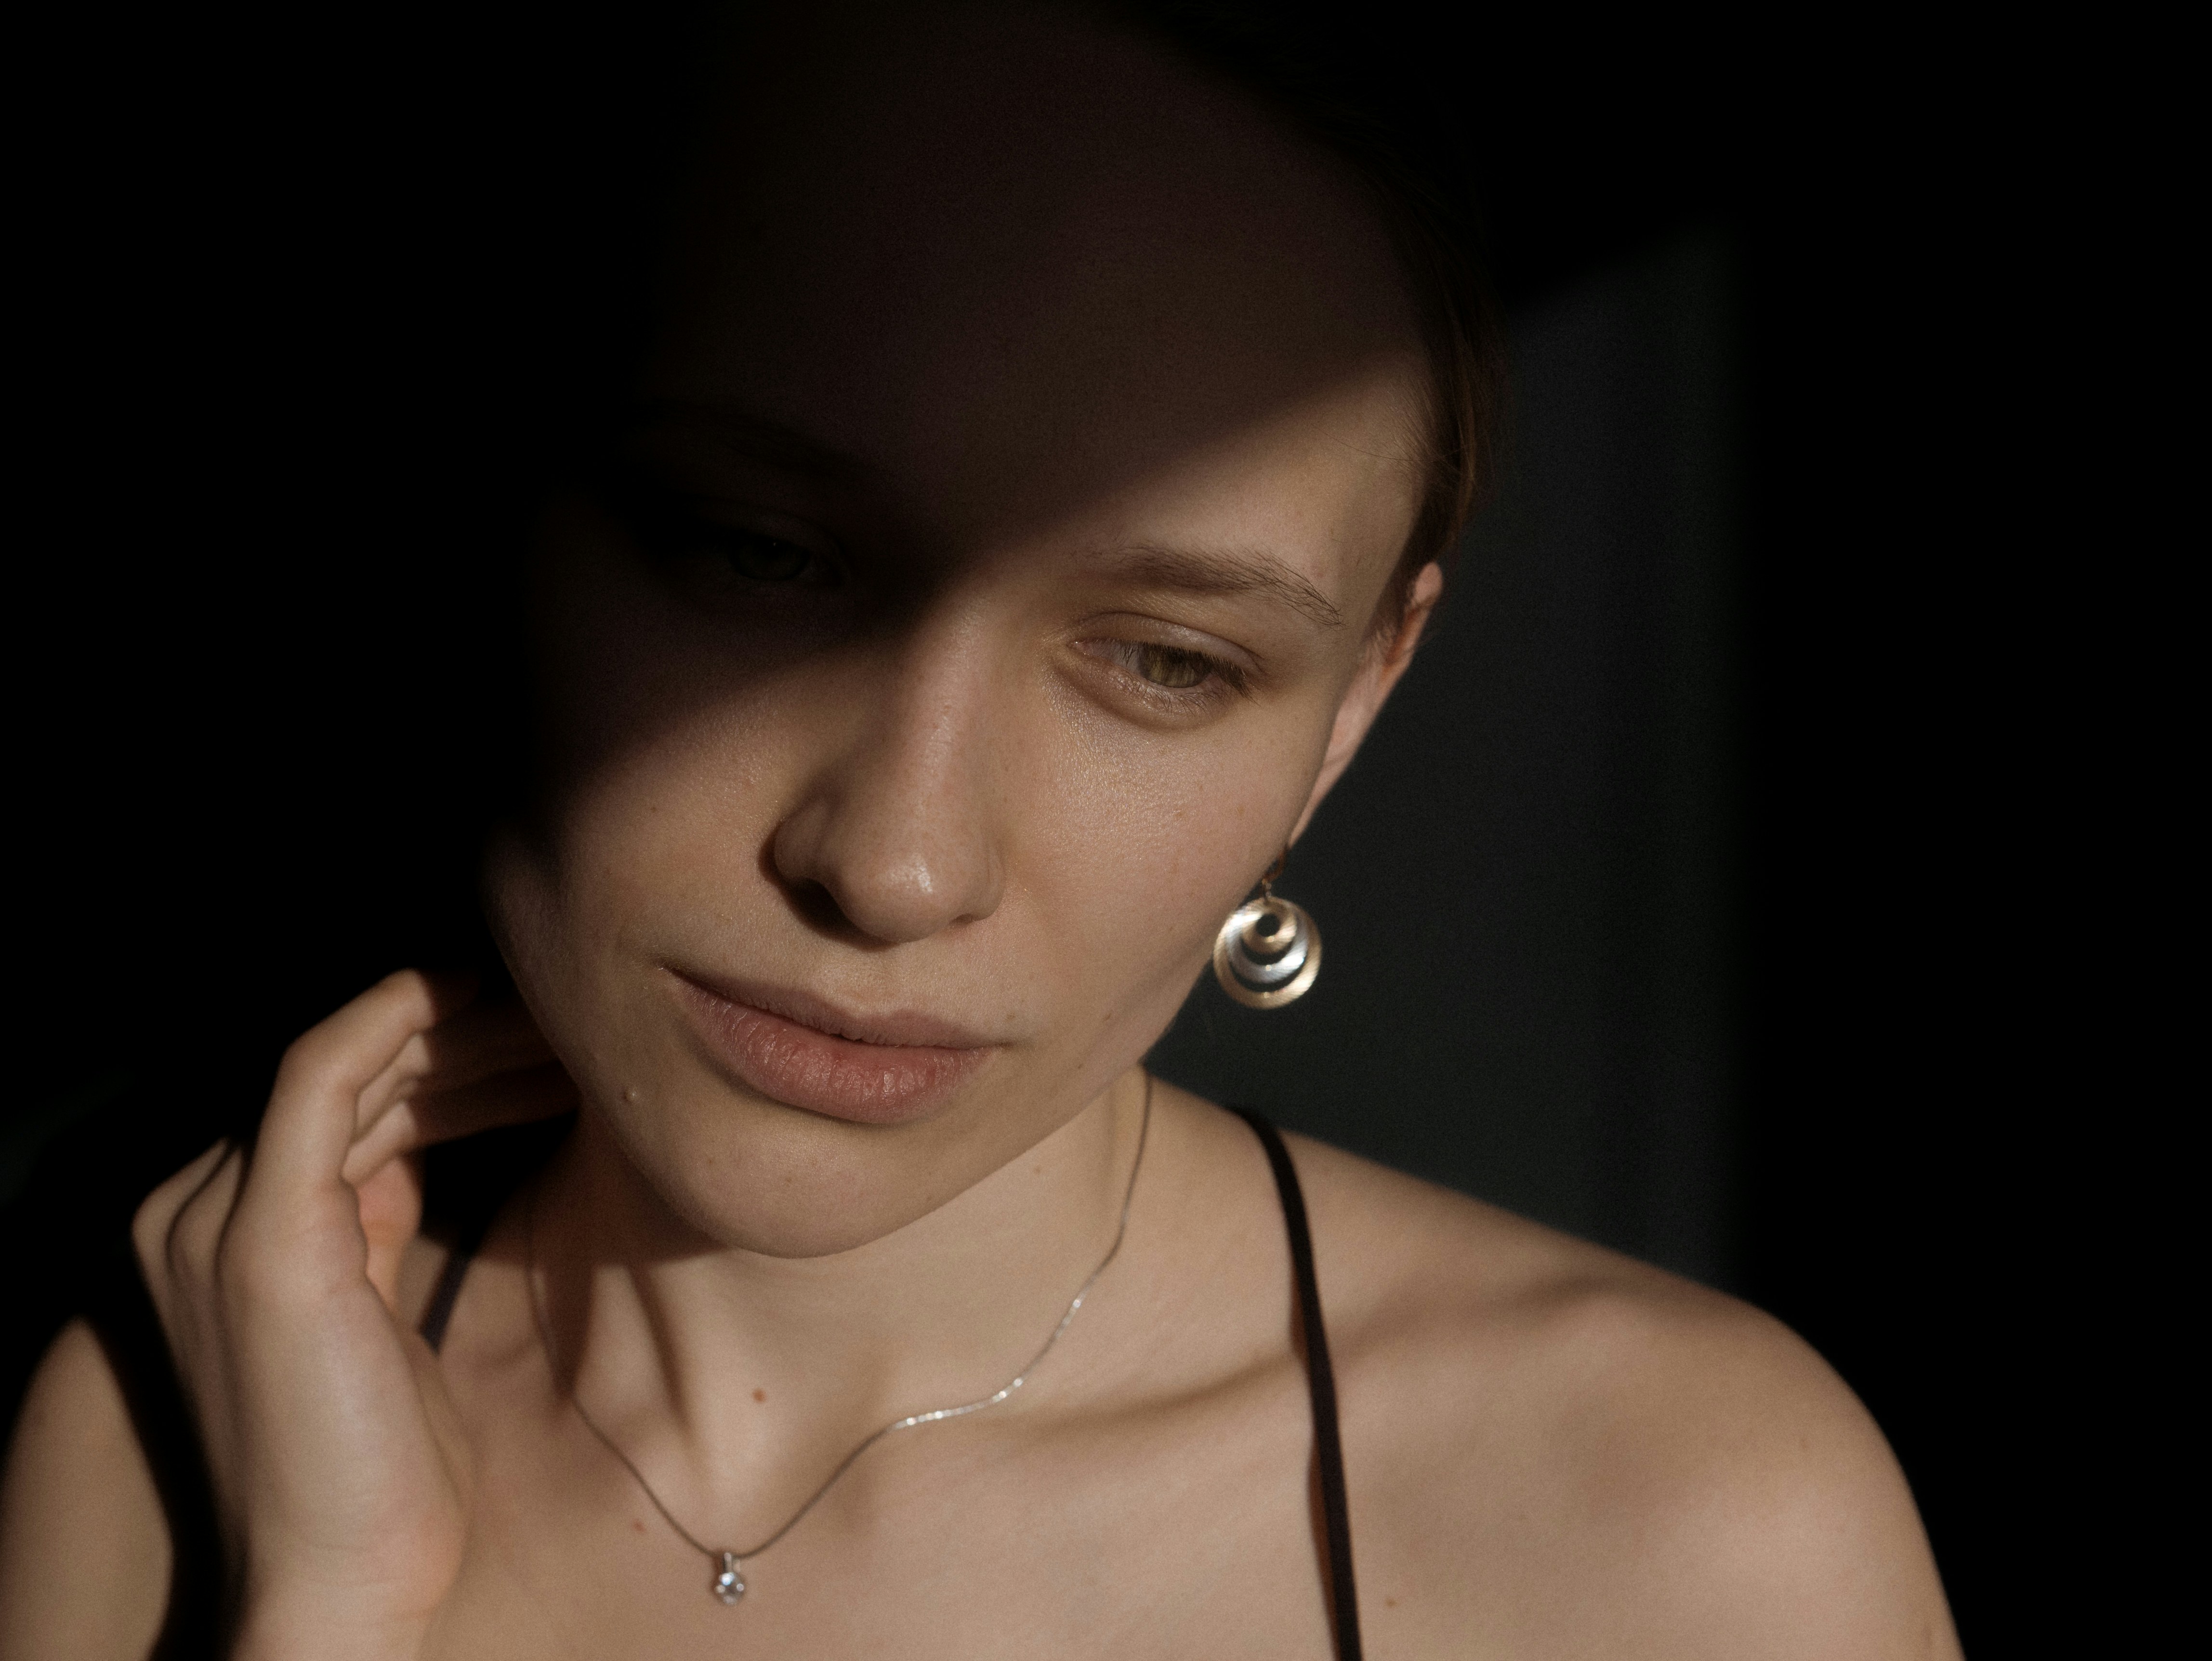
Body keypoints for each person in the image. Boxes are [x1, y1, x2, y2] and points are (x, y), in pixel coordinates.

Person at [0, 4, 1960, 1657]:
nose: (896, 865)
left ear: (1355, 705)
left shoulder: (1678, 1540)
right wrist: (322, 1611)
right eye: (758, 552)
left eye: (1167, 660)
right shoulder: (177, 1443)